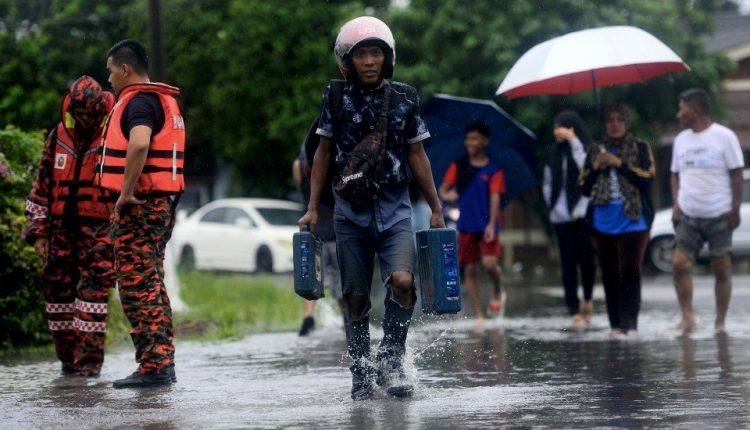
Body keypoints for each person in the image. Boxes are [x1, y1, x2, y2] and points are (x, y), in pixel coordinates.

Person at [298, 16, 444, 400]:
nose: (368, 61)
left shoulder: (406, 98)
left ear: (387, 57)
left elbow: (418, 154)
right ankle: (361, 371)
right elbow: (323, 155)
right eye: (360, 54)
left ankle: (392, 359)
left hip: (395, 207)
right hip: (349, 211)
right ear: (347, 60)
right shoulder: (334, 96)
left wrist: (435, 207)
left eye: (375, 53)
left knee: (403, 282)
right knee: (356, 295)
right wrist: (313, 208)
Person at [98, 39, 185, 388]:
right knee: (151, 283)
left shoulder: (140, 103)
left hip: (141, 205)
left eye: (110, 71)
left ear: (124, 69)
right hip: (159, 205)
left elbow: (139, 143)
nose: (108, 80)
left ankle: (154, 366)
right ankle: (160, 361)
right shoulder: (157, 100)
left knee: (137, 285)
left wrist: (126, 191)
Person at [24, 76, 116, 377]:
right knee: (57, 299)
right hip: (60, 231)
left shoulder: (114, 136)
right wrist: (38, 232)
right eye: (81, 114)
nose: (86, 119)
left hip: (100, 232)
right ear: (73, 110)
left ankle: (88, 367)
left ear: (101, 110)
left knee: (93, 299)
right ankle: (68, 363)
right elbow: (42, 187)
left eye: (92, 114)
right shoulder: (57, 136)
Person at [670, 88, 744, 333]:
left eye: (682, 108)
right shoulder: (681, 140)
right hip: (689, 215)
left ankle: (720, 322)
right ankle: (687, 317)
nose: (679, 113)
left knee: (721, 268)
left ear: (696, 110)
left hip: (719, 214)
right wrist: (676, 205)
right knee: (679, 264)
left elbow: (736, 174)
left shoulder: (725, 137)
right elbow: (675, 175)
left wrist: (735, 209)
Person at [579, 104, 655, 338]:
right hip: (602, 220)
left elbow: (648, 178)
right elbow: (582, 187)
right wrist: (596, 167)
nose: (615, 124)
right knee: (610, 273)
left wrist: (618, 163)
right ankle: (615, 325)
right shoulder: (594, 150)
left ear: (627, 123)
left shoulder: (641, 147)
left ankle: (630, 324)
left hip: (633, 220)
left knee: (630, 271)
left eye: (619, 119)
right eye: (610, 120)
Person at [438, 122, 505, 329]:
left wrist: (492, 224)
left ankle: (498, 290)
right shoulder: (459, 166)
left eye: (474, 138)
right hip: (466, 224)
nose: (470, 142)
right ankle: (478, 315)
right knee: (470, 269)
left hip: (487, 225)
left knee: (490, 264)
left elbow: (495, 198)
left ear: (485, 141)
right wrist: (449, 195)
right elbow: (443, 189)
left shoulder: (494, 169)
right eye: (468, 138)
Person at [542, 110, 596, 328]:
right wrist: (551, 205)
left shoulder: (585, 149)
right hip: (560, 215)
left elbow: (587, 169)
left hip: (582, 211)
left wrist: (574, 141)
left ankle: (588, 300)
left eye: (562, 126)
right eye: (556, 127)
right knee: (567, 263)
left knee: (587, 260)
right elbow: (547, 181)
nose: (558, 131)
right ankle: (573, 309)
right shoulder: (553, 153)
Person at [292, 145, 344, 336]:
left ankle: (308, 316)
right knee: (340, 280)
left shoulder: (299, 164)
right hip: (335, 229)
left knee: (310, 277)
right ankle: (346, 320)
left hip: (311, 230)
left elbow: (303, 191)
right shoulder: (335, 161)